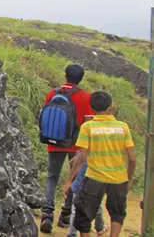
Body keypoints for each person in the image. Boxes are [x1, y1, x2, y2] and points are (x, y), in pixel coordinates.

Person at [72, 91, 136, 237]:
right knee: (117, 213)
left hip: (94, 177)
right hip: (118, 178)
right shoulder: (122, 127)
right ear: (110, 107)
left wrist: (70, 179)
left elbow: (81, 156)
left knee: (84, 215)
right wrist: (129, 178)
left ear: (92, 108)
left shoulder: (88, 127)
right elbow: (132, 158)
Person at [40, 63, 93, 233]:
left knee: (52, 177)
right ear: (81, 78)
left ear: (65, 76)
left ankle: (47, 214)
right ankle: (65, 215)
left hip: (54, 142)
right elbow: (88, 123)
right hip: (76, 145)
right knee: (74, 178)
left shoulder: (52, 93)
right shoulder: (86, 97)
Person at [64, 146, 107, 236]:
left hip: (78, 186)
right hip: (91, 187)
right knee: (97, 208)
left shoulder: (83, 151)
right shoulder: (99, 153)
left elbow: (73, 162)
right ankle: (100, 227)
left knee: (75, 211)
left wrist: (70, 180)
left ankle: (72, 234)